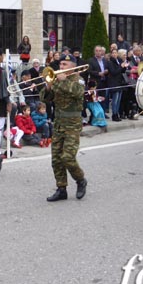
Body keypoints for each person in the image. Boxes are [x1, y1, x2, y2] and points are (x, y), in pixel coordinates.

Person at [39, 55, 88, 202]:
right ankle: (61, 189)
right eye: (60, 64)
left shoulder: (78, 79)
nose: (61, 67)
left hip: (72, 124)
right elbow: (44, 99)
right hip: (59, 123)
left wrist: (63, 80)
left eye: (64, 64)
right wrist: (48, 86)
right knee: (56, 159)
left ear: (72, 65)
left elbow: (77, 93)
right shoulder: (56, 79)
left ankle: (80, 180)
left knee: (68, 157)